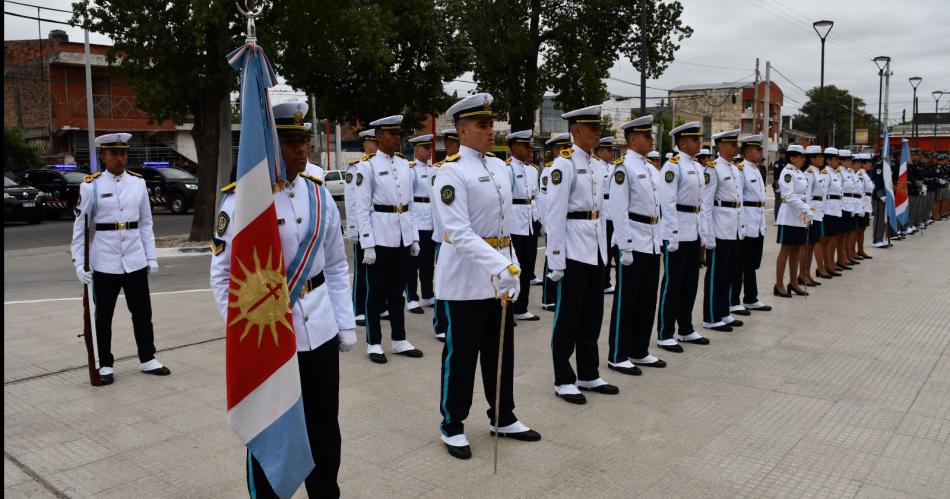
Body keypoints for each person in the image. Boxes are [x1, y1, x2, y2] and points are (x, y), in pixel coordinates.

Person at [210, 106, 357, 497]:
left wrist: (344, 323)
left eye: (304, 140)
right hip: (271, 338)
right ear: (270, 148)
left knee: (324, 430)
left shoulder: (319, 194)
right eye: (291, 142)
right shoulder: (244, 201)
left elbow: (336, 265)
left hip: (319, 330)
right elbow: (223, 277)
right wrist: (243, 333)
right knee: (271, 432)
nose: (302, 149)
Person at [433, 93, 540, 460]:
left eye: (491, 124)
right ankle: (452, 423)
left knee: (500, 349)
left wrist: (513, 267)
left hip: (499, 275)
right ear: (462, 131)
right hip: (466, 277)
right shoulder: (450, 172)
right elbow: (459, 232)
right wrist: (501, 266)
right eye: (482, 125)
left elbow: (503, 228)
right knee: (462, 355)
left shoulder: (498, 167)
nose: (491, 130)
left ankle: (503, 415)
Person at [71, 132, 169, 386]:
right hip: (105, 260)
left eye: (123, 153)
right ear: (103, 156)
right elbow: (80, 229)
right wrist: (78, 263)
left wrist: (151, 256)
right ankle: (104, 363)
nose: (120, 158)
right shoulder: (90, 186)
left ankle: (147, 358)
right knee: (103, 316)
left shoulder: (138, 183)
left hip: (135, 258)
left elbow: (146, 223)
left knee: (142, 312)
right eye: (114, 153)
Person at [546, 105, 618, 404]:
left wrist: (607, 249)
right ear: (576, 130)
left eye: (599, 128)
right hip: (574, 248)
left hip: (595, 247)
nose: (598, 133)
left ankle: (589, 373)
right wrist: (556, 258)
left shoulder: (596, 165)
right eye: (593, 128)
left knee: (592, 315)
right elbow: (554, 214)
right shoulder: (563, 165)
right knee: (568, 317)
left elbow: (601, 211)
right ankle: (563, 379)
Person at [352, 114, 423, 364]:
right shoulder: (367, 167)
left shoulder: (404, 165)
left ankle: (399, 339)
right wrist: (367, 244)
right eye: (391, 134)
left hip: (401, 237)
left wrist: (414, 238)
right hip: (379, 237)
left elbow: (410, 205)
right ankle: (374, 342)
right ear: (379, 136)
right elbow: (362, 209)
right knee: (375, 294)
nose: (396, 138)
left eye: (398, 134)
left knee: (397, 293)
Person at [607, 115, 670, 373]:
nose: (651, 140)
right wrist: (625, 246)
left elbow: (658, 209)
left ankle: (639, 349)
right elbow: (618, 209)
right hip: (632, 240)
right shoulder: (623, 168)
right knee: (627, 301)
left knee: (646, 300)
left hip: (651, 241)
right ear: (633, 138)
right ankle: (618, 354)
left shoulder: (652, 169)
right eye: (646, 136)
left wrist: (661, 239)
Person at [656, 122, 710, 353]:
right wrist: (672, 235)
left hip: (693, 230)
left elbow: (701, 204)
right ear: (683, 143)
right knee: (673, 284)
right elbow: (667, 203)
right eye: (695, 139)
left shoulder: (697, 167)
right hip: (677, 230)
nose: (699, 143)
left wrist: (703, 232)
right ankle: (665, 333)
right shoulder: (672, 166)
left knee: (690, 283)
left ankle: (686, 328)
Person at [700, 129, 746, 332]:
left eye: (736, 144)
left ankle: (724, 311)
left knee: (728, 273)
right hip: (719, 228)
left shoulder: (735, 169)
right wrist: (708, 234)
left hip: (733, 228)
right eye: (732, 144)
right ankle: (711, 316)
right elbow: (706, 204)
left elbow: (738, 201)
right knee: (716, 275)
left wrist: (741, 227)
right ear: (720, 146)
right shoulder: (713, 169)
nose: (736, 147)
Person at [730, 134, 772, 315]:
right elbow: (738, 199)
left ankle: (751, 298)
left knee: (751, 264)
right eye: (758, 149)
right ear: (748, 152)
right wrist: (741, 224)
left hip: (757, 221)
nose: (761, 152)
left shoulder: (757, 169)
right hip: (746, 222)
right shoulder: (740, 170)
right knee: (739, 264)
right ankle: (733, 300)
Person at [505, 129, 542, 322]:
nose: (529, 150)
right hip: (514, 224)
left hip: (529, 222)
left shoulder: (533, 170)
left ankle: (521, 307)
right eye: (525, 146)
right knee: (513, 268)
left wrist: (540, 219)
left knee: (528, 266)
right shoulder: (507, 169)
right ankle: (508, 309)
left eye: (530, 146)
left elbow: (537, 197)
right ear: (514, 147)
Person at [429, 128, 460, 342]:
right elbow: (438, 207)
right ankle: (441, 323)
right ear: (449, 146)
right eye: (456, 144)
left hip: (467, 236)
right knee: (445, 280)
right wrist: (446, 234)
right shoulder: (439, 170)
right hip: (446, 236)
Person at [347, 129, 378, 326]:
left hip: (380, 227)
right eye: (374, 142)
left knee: (378, 272)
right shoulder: (357, 167)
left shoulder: (384, 166)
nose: (377, 146)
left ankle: (379, 306)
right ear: (366, 145)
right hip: (362, 227)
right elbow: (352, 201)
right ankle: (358, 309)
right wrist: (353, 228)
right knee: (362, 271)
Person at [538, 132, 572, 311]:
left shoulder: (570, 166)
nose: (568, 150)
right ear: (556, 150)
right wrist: (546, 224)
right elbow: (545, 199)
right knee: (550, 258)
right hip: (552, 220)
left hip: (566, 221)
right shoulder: (550, 169)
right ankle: (547, 298)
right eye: (563, 148)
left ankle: (557, 295)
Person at [774, 144, 811, 297]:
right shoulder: (787, 172)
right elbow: (789, 196)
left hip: (800, 216)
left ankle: (794, 282)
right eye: (801, 156)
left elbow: (804, 195)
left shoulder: (799, 172)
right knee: (786, 250)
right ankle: (779, 284)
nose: (803, 159)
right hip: (789, 216)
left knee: (796, 249)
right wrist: (806, 209)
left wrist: (806, 214)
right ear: (792, 157)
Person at [405, 134, 436, 314]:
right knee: (413, 264)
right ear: (417, 150)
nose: (429, 151)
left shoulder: (433, 170)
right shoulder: (412, 171)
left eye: (430, 148)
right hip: (417, 222)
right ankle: (412, 297)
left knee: (428, 262)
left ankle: (428, 294)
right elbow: (408, 199)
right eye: (426, 148)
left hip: (430, 222)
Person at [798, 145, 826, 287]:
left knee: (813, 243)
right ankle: (802, 274)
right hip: (810, 212)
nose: (822, 159)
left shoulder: (818, 172)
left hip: (818, 212)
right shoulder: (809, 173)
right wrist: (807, 217)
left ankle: (807, 273)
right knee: (806, 245)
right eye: (819, 156)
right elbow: (807, 196)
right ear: (812, 159)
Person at [595, 136, 619, 294]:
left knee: (614, 249)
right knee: (604, 250)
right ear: (599, 152)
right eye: (608, 150)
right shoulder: (596, 167)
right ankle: (603, 282)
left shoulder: (613, 167)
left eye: (612, 150)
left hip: (614, 212)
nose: (611, 153)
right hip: (604, 212)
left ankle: (608, 281)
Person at [854, 153, 875, 259]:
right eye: (869, 162)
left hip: (866, 203)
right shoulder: (860, 174)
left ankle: (860, 250)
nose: (871, 164)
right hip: (862, 204)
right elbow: (860, 191)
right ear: (863, 164)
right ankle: (853, 251)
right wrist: (861, 207)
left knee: (862, 229)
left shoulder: (865, 174)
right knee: (858, 229)